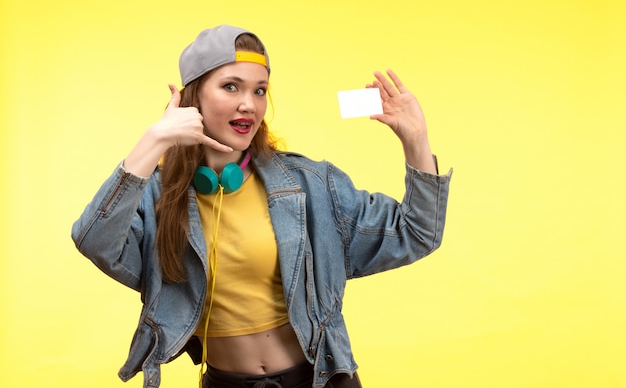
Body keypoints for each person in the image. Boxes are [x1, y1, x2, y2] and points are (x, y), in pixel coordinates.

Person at [71, 24, 452, 388]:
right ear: (193, 97)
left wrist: (416, 141)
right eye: (231, 86)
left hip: (320, 381)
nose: (248, 105)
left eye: (259, 90)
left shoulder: (311, 185)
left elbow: (417, 233)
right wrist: (153, 140)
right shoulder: (156, 200)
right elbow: (94, 239)